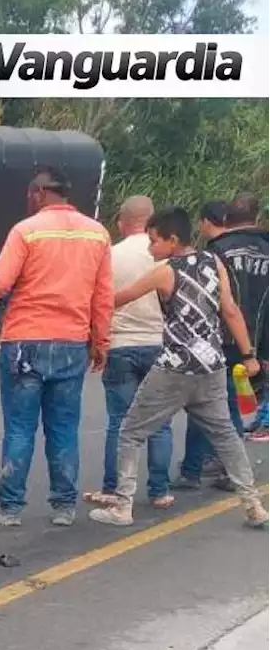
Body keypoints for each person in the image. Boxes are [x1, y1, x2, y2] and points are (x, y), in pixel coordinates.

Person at [88, 207, 269, 529]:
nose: (150, 248)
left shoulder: (165, 270)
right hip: (212, 365)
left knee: (130, 431)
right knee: (227, 436)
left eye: (154, 241)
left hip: (174, 368)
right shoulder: (214, 262)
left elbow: (122, 298)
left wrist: (84, 301)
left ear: (172, 240)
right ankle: (253, 505)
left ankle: (122, 506)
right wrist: (249, 354)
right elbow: (230, 311)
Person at [0, 165, 113, 528]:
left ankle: (10, 508)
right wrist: (100, 342)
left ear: (38, 193)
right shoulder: (97, 234)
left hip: (24, 342)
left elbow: (0, 281)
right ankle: (64, 507)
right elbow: (103, 296)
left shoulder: (26, 230)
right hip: (71, 344)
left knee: (20, 428)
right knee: (63, 428)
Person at [82, 196, 175, 510]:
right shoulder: (166, 256)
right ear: (151, 221)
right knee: (160, 422)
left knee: (120, 422)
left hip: (121, 345)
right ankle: (160, 491)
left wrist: (97, 343)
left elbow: (99, 302)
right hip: (159, 344)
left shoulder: (110, 255)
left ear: (122, 221)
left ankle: (114, 488)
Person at [182, 194, 270, 479]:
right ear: (256, 218)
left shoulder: (216, 250)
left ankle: (214, 467)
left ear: (226, 218)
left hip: (221, 337)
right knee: (223, 400)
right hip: (259, 338)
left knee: (207, 400)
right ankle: (212, 464)